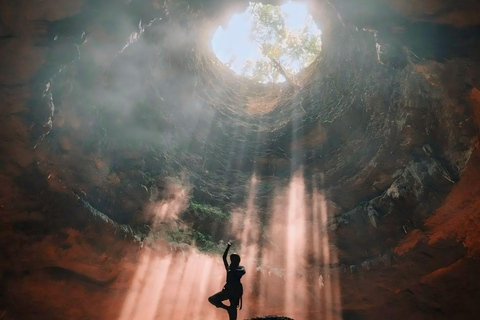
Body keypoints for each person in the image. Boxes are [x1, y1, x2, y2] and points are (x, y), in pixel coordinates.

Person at [208, 242, 245, 320]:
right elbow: (224, 258)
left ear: (237, 261)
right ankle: (227, 309)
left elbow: (242, 272)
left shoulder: (240, 268)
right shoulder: (229, 268)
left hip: (235, 291)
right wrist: (228, 247)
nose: (231, 261)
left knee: (234, 308)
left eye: (233, 260)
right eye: (231, 259)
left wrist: (232, 269)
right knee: (212, 299)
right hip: (228, 290)